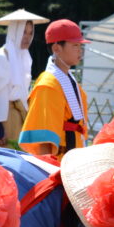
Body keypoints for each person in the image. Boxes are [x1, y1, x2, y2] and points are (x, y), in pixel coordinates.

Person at [0, 9, 49, 147]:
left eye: (30, 33)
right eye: (23, 32)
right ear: (14, 32)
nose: (27, 37)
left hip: (18, 116)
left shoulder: (25, 58)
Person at [18, 19, 89, 157]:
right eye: (75, 45)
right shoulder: (48, 84)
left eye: (80, 45)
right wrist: (47, 169)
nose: (80, 51)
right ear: (57, 48)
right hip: (59, 160)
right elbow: (43, 135)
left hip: (73, 153)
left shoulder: (69, 79)